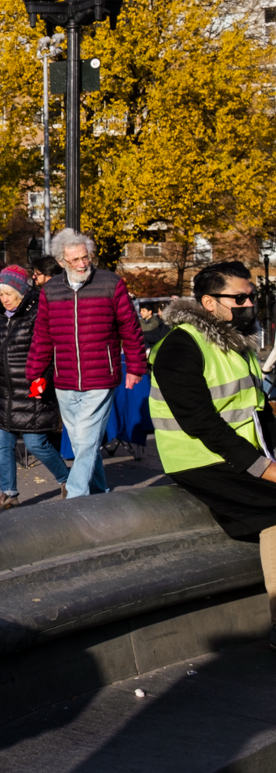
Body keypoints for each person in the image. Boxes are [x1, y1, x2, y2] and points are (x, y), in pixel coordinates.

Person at [150, 262, 276, 647]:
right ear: (208, 302)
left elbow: (251, 406)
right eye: (239, 298)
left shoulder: (236, 340)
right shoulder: (180, 345)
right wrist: (264, 468)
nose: (249, 303)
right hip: (199, 459)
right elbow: (202, 423)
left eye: (251, 296)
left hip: (240, 452)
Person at [25, 229, 147, 499]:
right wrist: (34, 373)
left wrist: (136, 366)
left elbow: (130, 327)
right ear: (61, 262)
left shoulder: (111, 283)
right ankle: (100, 489)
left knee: (89, 438)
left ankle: (75, 496)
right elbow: (43, 335)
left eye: (86, 257)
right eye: (75, 260)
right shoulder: (51, 290)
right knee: (82, 442)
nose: (82, 264)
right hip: (65, 378)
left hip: (101, 376)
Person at [0, 265, 69, 511]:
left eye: (9, 293)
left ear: (21, 291)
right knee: (3, 443)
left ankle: (67, 479)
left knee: (35, 443)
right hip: (6, 391)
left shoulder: (37, 312)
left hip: (33, 388)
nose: (4, 299)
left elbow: (51, 350)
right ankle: (8, 492)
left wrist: (44, 379)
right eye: (1, 294)